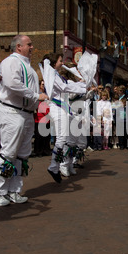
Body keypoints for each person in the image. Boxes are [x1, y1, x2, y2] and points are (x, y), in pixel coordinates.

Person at [0, 35, 47, 206]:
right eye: (29, 44)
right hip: (12, 112)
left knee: (21, 154)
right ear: (18, 46)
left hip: (26, 114)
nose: (32, 47)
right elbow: (12, 83)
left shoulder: (28, 66)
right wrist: (36, 96)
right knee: (8, 153)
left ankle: (13, 189)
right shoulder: (10, 62)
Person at [46, 53, 86, 181]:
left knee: (63, 139)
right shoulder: (52, 75)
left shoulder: (56, 75)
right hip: (57, 107)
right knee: (62, 139)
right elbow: (65, 87)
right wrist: (83, 87)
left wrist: (83, 85)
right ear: (53, 63)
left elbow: (67, 85)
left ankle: (55, 166)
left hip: (62, 108)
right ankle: (55, 166)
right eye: (59, 60)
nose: (62, 63)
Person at [33, 79, 51, 157]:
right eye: (42, 85)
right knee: (39, 136)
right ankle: (38, 151)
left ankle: (46, 150)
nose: (44, 86)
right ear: (40, 85)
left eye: (45, 85)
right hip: (39, 118)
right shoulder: (39, 95)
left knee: (46, 136)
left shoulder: (48, 94)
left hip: (47, 118)